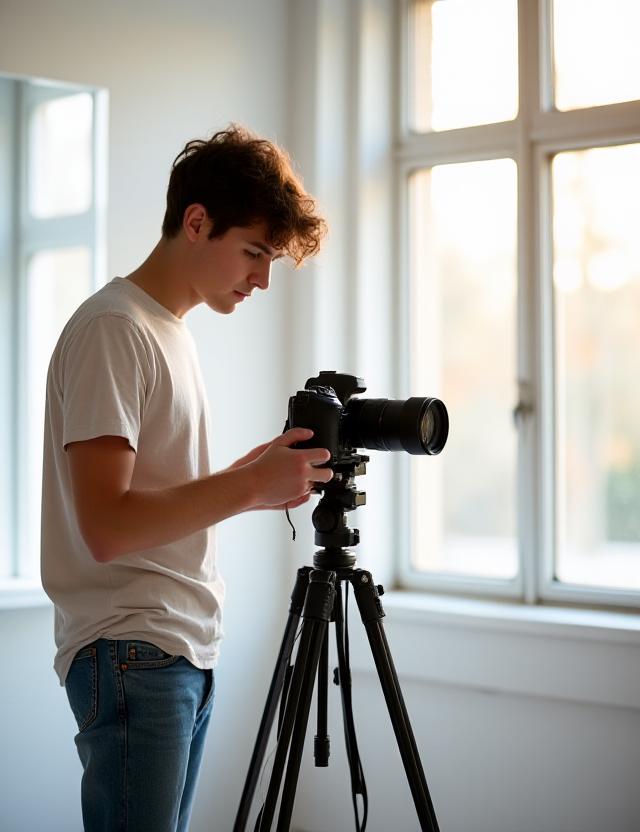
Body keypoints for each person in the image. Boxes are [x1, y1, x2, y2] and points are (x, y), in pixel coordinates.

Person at [40, 124, 331, 832]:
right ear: (196, 222)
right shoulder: (117, 328)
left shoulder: (168, 329)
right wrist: (247, 487)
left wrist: (250, 477)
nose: (263, 278)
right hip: (134, 648)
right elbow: (107, 527)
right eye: (255, 252)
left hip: (174, 649)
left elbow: (151, 507)